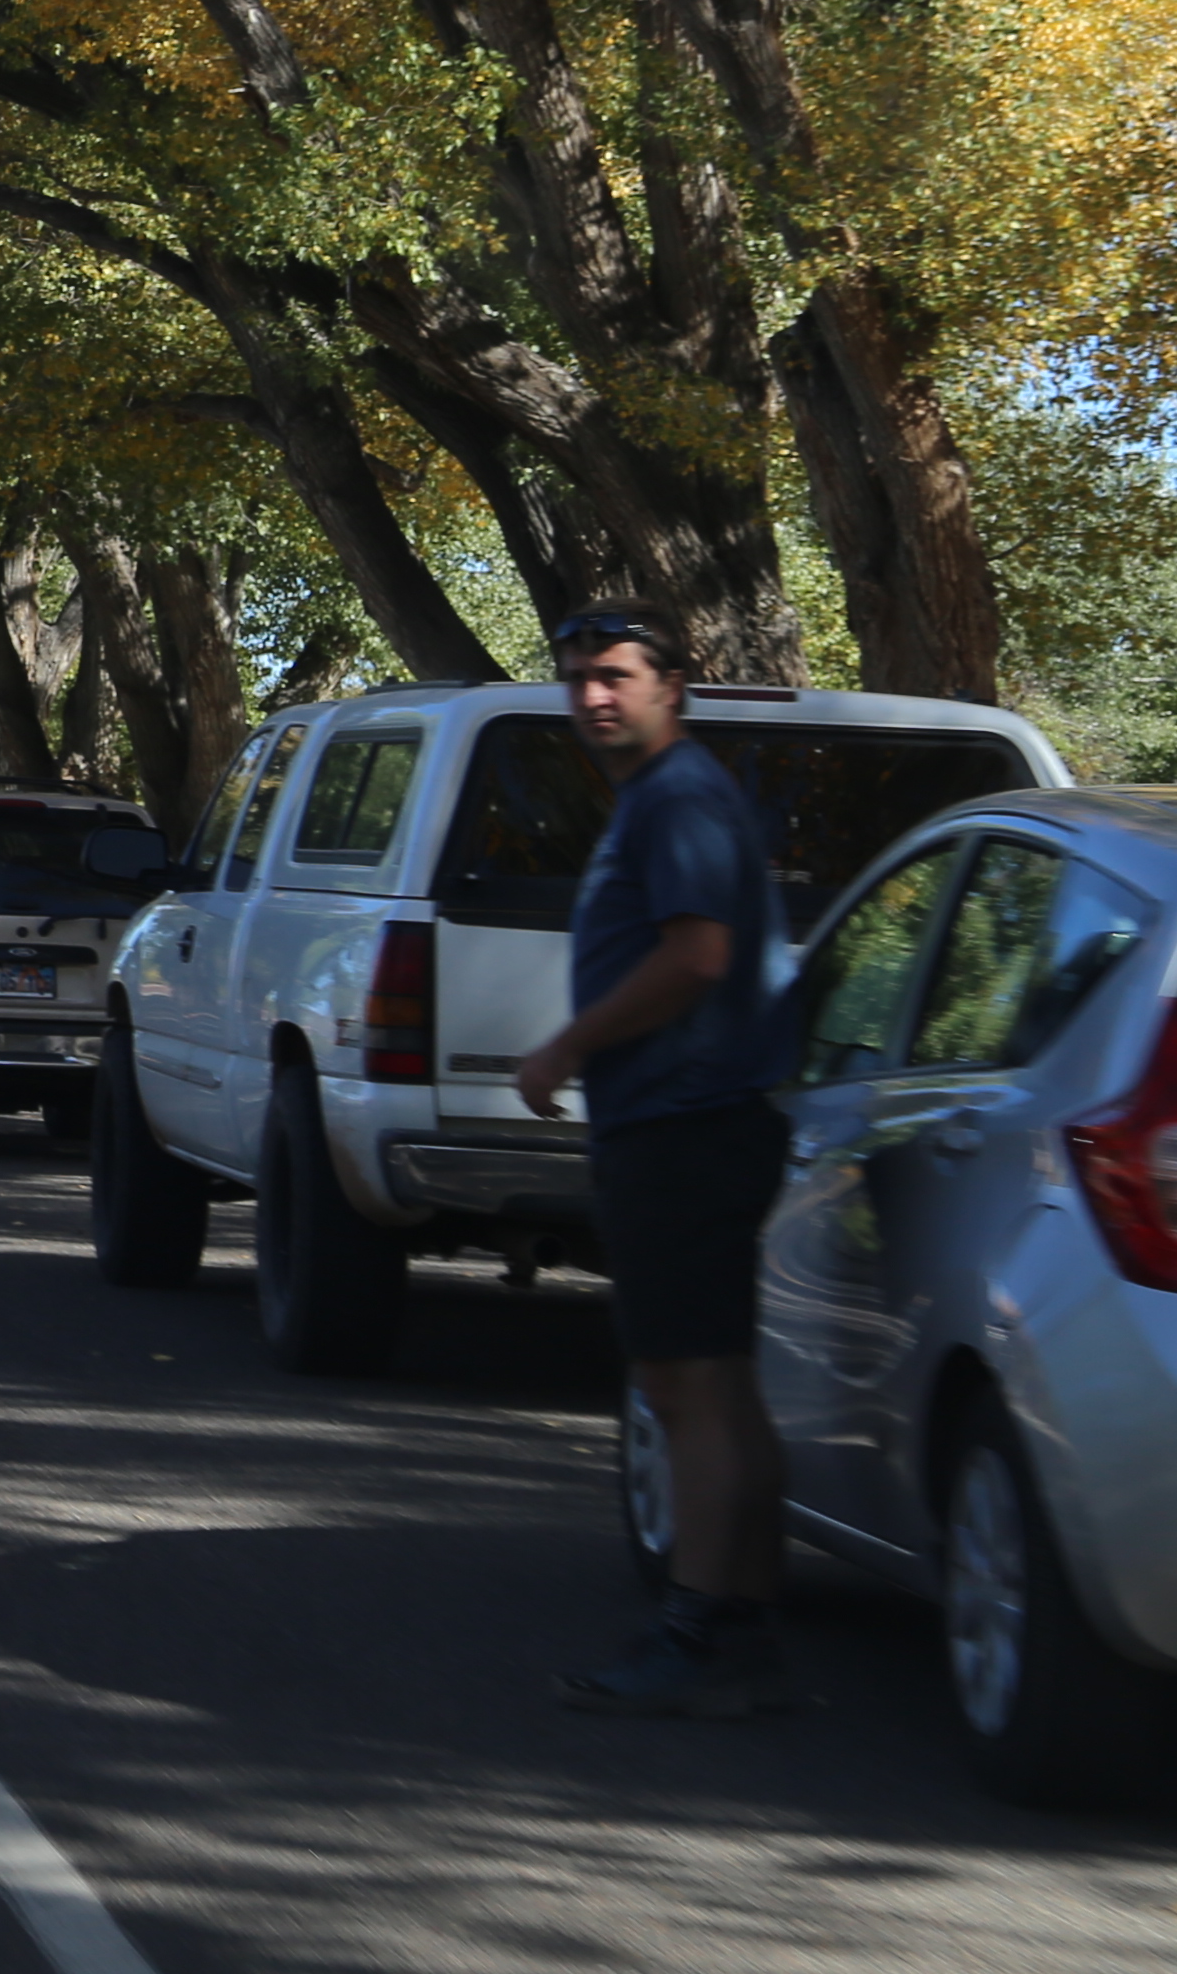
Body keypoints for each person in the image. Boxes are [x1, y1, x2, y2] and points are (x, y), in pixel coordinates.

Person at [513, 606, 797, 1717]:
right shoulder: (661, 800)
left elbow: (698, 955)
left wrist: (569, 1045)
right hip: (688, 1119)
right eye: (577, 678)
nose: (593, 697)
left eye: (615, 676)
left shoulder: (678, 798)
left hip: (687, 1122)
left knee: (684, 1386)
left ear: (673, 684)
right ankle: (743, 1624)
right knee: (717, 1383)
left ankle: (704, 1632)